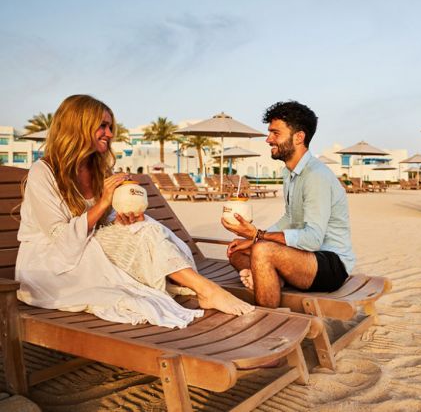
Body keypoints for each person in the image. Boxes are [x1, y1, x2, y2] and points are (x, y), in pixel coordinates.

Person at [16, 94, 253, 329]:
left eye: (110, 127)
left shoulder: (97, 169)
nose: (110, 134)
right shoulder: (43, 172)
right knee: (143, 237)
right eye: (102, 126)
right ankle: (207, 289)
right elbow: (60, 239)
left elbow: (103, 222)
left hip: (88, 248)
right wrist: (103, 202)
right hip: (50, 265)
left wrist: (122, 216)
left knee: (143, 225)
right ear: (78, 126)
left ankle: (204, 289)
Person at [223, 101, 355, 308]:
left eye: (275, 133)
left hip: (330, 263)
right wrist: (252, 238)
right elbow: (290, 218)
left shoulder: (316, 176)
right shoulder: (289, 173)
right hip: (301, 255)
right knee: (237, 251)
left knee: (262, 251)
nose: (268, 139)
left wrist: (258, 236)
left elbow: (312, 239)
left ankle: (268, 319)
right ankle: (274, 279)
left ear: (299, 137)